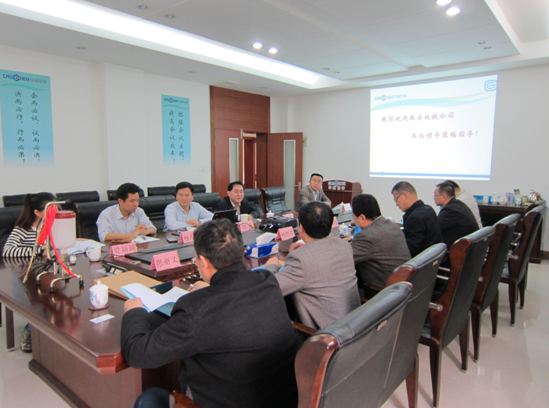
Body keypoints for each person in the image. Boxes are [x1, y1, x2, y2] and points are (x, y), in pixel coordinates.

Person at [121, 218, 298, 408]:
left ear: (204, 262)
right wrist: (210, 292)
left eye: (196, 259)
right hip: (284, 400)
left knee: (148, 399)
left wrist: (134, 312)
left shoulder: (195, 309)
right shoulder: (267, 281)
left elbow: (138, 353)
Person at [265, 201, 360, 330]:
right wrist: (305, 250)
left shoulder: (300, 260)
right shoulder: (344, 246)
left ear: (301, 228)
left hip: (325, 336)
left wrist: (272, 266)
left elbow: (271, 289)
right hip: (355, 326)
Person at [2, 192, 56, 353]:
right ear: (37, 212)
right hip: (27, 276)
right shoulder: (23, 229)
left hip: (47, 271)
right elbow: (8, 252)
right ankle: (29, 329)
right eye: (50, 210)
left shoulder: (50, 226)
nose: (55, 213)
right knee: (44, 299)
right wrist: (38, 251)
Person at [351, 194, 411, 291]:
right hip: (404, 288)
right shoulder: (393, 226)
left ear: (362, 218)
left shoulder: (366, 236)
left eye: (354, 218)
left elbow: (345, 259)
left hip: (382, 292)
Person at [391, 181, 443, 258]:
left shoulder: (415, 217)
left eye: (396, 200)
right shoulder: (428, 209)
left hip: (423, 262)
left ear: (405, 195)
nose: (396, 204)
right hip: (434, 259)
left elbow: (411, 250)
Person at [434, 182, 479, 251]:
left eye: (435, 195)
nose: (434, 198)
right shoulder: (458, 204)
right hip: (470, 249)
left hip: (461, 251)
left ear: (443, 197)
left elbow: (434, 227)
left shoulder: (450, 210)